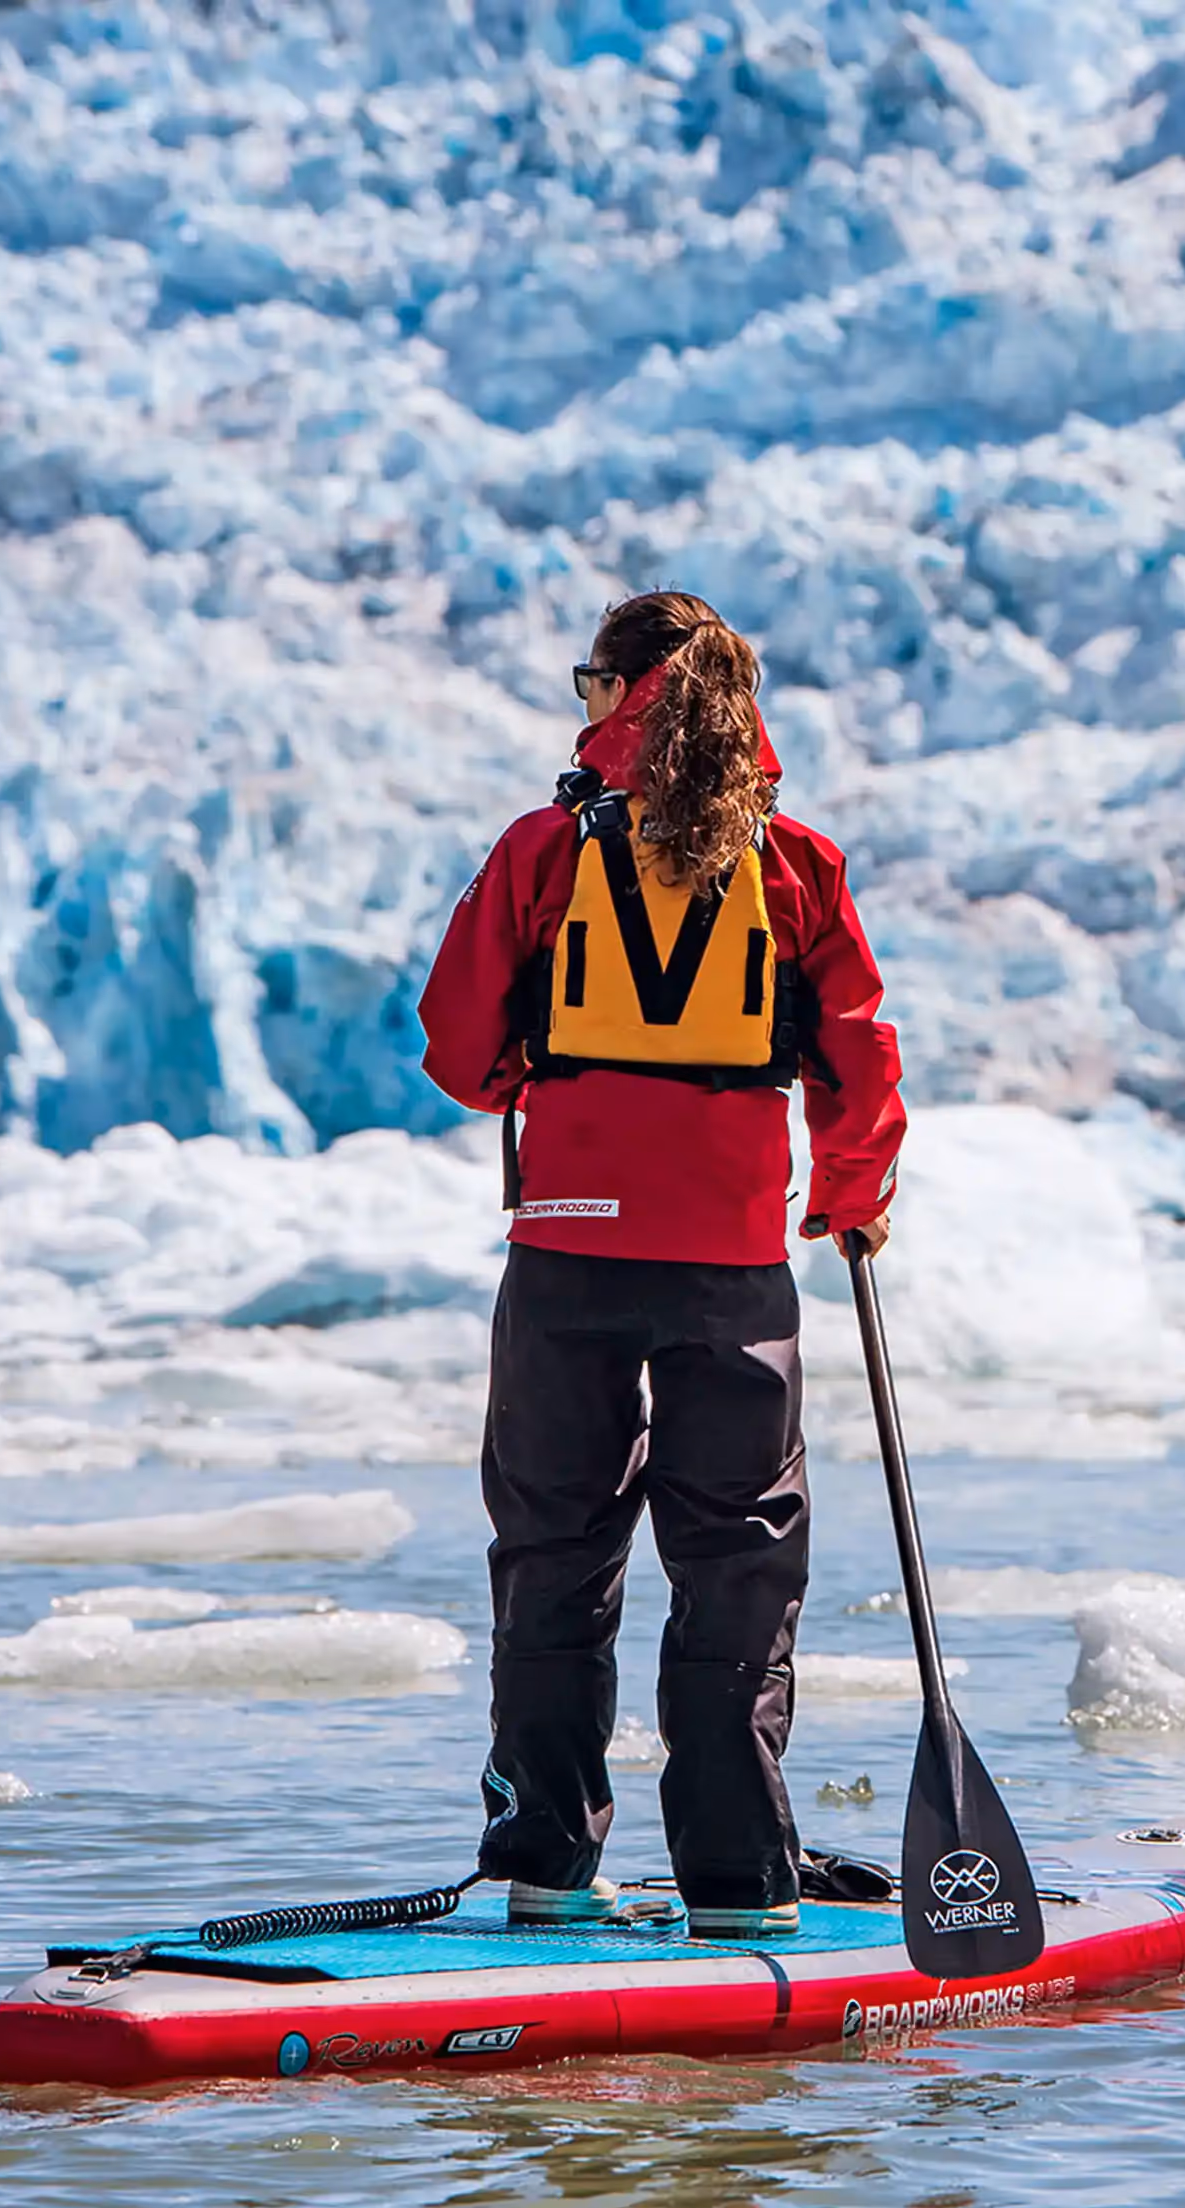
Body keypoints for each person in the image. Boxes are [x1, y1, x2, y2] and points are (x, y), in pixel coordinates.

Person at [419, 590, 905, 1940]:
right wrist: (853, 1194)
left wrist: (546, 1065)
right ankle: (741, 1883)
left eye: (588, 683)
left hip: (567, 1257)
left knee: (555, 1557)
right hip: (732, 1272)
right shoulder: (794, 858)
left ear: (619, 697)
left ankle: (539, 1865)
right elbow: (860, 1056)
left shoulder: (540, 851)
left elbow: (457, 1052)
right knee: (737, 1564)